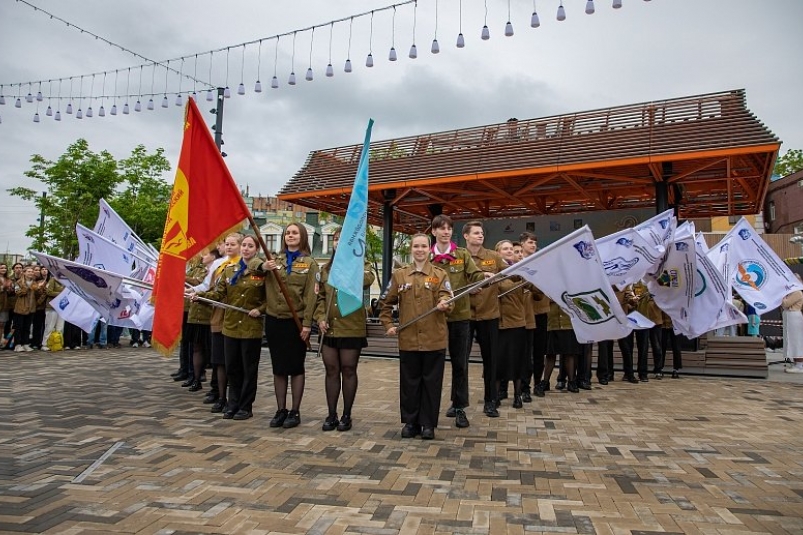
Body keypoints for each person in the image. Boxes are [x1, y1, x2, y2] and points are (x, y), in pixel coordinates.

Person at [379, 233, 453, 440]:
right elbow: (385, 303)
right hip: (409, 340)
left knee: (431, 383)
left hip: (433, 340)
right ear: (411, 250)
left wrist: (445, 303)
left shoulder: (440, 275)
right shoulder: (400, 275)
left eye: (423, 246)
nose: (420, 250)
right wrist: (388, 324)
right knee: (410, 383)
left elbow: (448, 296)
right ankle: (411, 422)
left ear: (429, 249)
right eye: (416, 246)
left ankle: (428, 424)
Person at [194, 235, 266, 420]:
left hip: (251, 327)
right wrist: (199, 296)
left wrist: (260, 309)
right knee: (232, 367)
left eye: (250, 246)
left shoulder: (261, 271)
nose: (246, 249)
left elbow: (271, 297)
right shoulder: (229, 270)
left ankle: (246, 406)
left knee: (248, 369)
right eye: (244, 245)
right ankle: (232, 404)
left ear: (256, 249)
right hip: (231, 325)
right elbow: (219, 293)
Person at [315, 228, 375, 432]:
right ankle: (331, 414)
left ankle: (346, 415)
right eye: (335, 239)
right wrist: (320, 317)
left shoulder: (361, 265)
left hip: (351, 327)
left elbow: (368, 280)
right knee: (331, 371)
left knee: (348, 370)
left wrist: (349, 265)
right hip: (330, 328)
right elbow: (321, 297)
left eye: (342, 240)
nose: (338, 243)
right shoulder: (325, 269)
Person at [261, 223, 319, 429]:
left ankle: (295, 411)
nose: (290, 235)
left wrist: (307, 325)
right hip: (274, 320)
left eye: (294, 233)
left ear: (303, 236)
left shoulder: (310, 263)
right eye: (287, 233)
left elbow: (311, 296)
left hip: (295, 323)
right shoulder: (274, 260)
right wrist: (262, 267)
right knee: (278, 368)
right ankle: (280, 409)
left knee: (295, 367)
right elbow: (254, 270)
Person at [429, 214, 483, 428]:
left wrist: (483, 277)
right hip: (435, 318)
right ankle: (430, 408)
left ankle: (459, 406)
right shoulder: (427, 257)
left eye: (449, 228)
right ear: (433, 232)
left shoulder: (461, 254)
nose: (446, 231)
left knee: (460, 364)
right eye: (441, 228)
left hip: (460, 318)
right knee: (434, 365)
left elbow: (475, 275)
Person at [463, 221, 506, 418]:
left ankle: (491, 401)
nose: (480, 236)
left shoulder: (493, 257)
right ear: (466, 236)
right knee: (460, 361)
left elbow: (510, 273)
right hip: (465, 316)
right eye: (476, 233)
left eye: (481, 233)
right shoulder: (458, 258)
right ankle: (458, 403)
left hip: (489, 315)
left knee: (491, 361)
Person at [494, 239, 528, 408]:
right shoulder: (493, 271)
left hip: (516, 322)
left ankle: (517, 395)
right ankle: (497, 394)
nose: (509, 251)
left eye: (510, 249)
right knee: (499, 361)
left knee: (518, 361)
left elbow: (536, 291)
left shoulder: (520, 271)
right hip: (498, 322)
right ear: (497, 252)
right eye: (505, 249)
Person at [184, 248, 222, 392]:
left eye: (206, 254)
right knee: (196, 347)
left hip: (208, 316)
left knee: (211, 350)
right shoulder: (199, 268)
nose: (202, 256)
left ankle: (213, 383)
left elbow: (201, 284)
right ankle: (195, 377)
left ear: (213, 257)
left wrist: (183, 278)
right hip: (195, 315)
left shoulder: (214, 270)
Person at [12, 265, 39, 352]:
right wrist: (28, 287)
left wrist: (39, 289)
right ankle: (17, 345)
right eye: (29, 271)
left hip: (31, 308)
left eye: (32, 272)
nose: (31, 273)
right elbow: (18, 293)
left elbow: (38, 295)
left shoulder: (35, 283)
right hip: (20, 308)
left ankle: (26, 343)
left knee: (27, 327)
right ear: (24, 273)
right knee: (19, 328)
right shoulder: (19, 282)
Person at [782, 278, 803, 374]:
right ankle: (796, 363)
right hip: (789, 316)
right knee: (790, 339)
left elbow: (785, 303)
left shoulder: (797, 292)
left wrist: (782, 296)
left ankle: (799, 365)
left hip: (794, 316)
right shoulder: (791, 293)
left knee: (796, 340)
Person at [660, 310, 683, 379]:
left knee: (676, 347)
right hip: (662, 323)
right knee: (661, 347)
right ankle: (659, 369)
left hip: (675, 324)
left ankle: (676, 369)